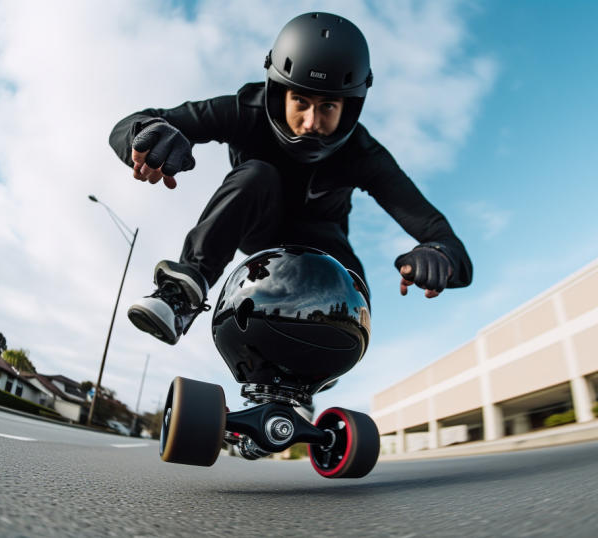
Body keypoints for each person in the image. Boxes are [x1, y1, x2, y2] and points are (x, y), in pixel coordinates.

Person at [109, 12, 473, 345]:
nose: (312, 122)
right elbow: (133, 123)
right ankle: (182, 293)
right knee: (257, 174)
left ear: (350, 107)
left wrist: (439, 255)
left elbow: (443, 238)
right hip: (259, 227)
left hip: (324, 247)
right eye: (300, 100)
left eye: (328, 106)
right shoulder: (243, 111)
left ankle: (317, 371)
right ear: (279, 92)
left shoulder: (364, 154)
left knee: (352, 281)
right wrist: (147, 135)